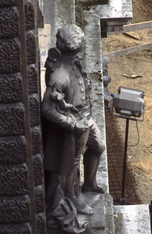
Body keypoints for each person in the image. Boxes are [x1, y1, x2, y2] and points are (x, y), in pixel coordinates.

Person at [41, 25, 106, 228]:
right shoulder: (60, 75)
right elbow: (47, 109)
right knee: (72, 164)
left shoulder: (71, 61)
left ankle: (89, 184)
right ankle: (72, 196)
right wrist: (71, 123)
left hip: (86, 119)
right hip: (75, 127)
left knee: (98, 147)